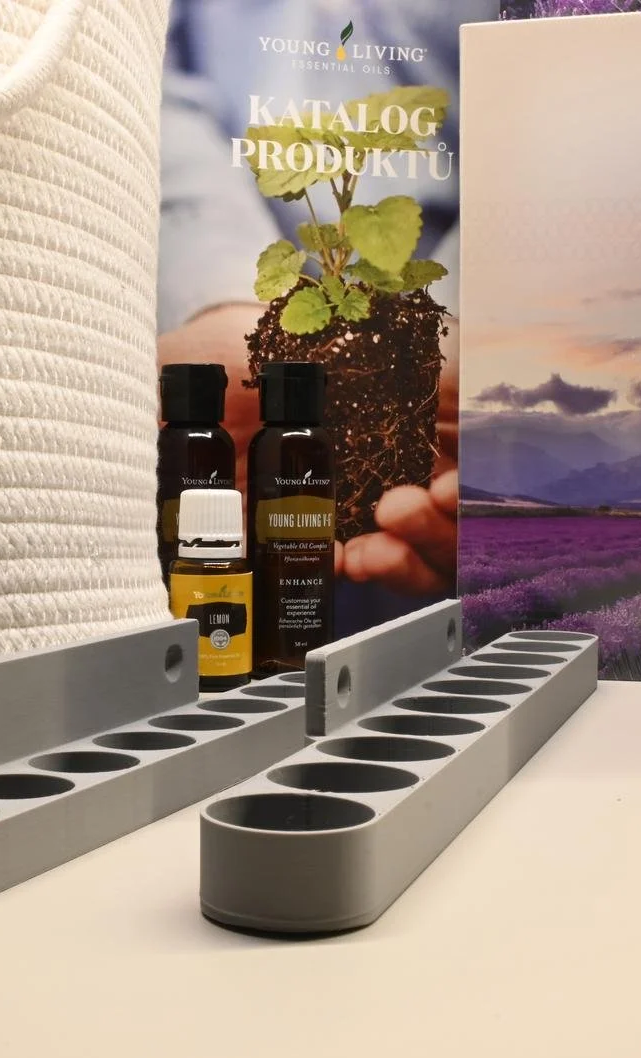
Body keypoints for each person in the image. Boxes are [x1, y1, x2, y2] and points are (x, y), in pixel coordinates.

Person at [156, 0, 494, 631]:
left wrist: (475, 315)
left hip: (459, 351)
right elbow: (143, 74)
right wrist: (222, 299)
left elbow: (559, 101)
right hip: (217, 292)